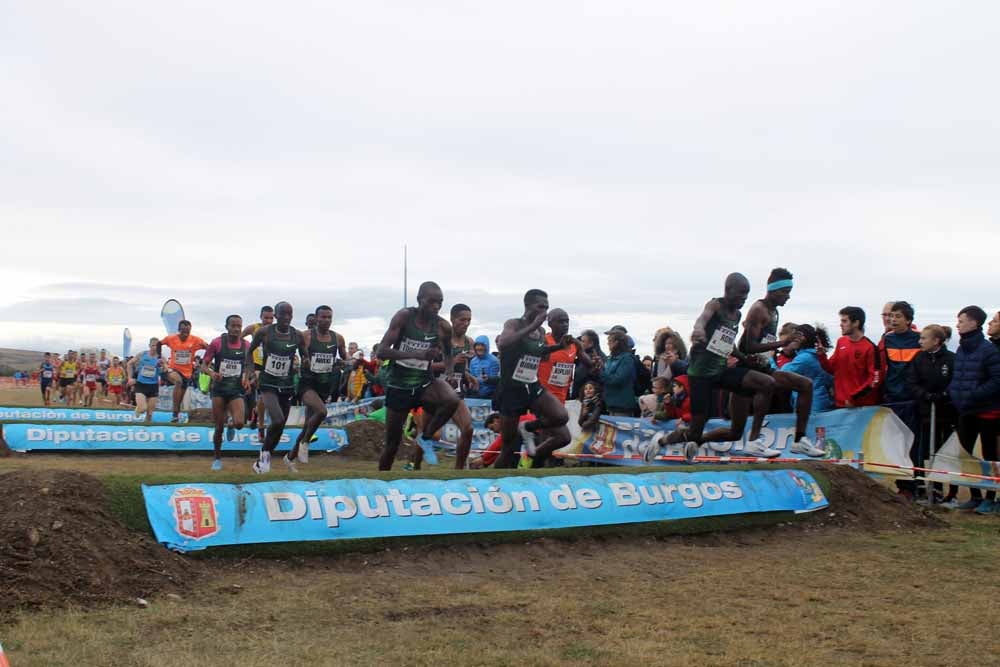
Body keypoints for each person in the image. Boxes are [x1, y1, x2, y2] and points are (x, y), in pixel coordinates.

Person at [651, 273, 780, 461]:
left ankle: (754, 441)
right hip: (700, 376)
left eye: (747, 295)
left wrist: (743, 358)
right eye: (740, 294)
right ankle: (661, 442)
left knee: (766, 383)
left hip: (720, 372)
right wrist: (698, 329)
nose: (743, 299)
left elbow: (728, 343)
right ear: (728, 290)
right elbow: (702, 319)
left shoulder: (737, 315)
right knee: (695, 432)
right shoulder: (715, 305)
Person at [737, 268, 824, 456]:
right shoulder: (758, 309)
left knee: (805, 385)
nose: (788, 297)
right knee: (766, 385)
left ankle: (799, 440)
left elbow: (766, 344)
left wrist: (786, 344)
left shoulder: (774, 311)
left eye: (789, 292)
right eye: (785, 292)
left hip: (763, 365)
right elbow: (747, 346)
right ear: (773, 290)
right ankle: (753, 440)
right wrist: (784, 342)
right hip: (746, 368)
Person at [375, 281, 460, 470]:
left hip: (424, 383)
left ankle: (426, 438)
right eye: (431, 302)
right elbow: (382, 351)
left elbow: (448, 353)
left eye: (440, 302)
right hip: (399, 385)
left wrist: (450, 373)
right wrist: (417, 354)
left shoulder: (442, 327)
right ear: (419, 300)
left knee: (451, 400)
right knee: (392, 445)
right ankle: (380, 482)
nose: (436, 307)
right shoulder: (404, 317)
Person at [495, 289, 573, 468]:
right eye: (540, 306)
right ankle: (494, 485)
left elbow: (541, 353)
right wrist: (531, 326)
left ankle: (528, 429)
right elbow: (504, 343)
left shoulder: (540, 330)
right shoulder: (514, 324)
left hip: (532, 385)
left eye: (546, 307)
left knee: (560, 416)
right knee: (508, 447)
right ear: (528, 306)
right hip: (511, 389)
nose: (544, 311)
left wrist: (558, 347)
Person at [245, 302, 309, 474]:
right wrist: (251, 373)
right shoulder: (264, 332)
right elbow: (248, 352)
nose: (286, 317)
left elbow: (304, 354)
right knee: (278, 420)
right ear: (276, 315)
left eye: (290, 314)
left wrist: (305, 363)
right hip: (267, 383)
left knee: (280, 427)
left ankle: (264, 456)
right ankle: (264, 455)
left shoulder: (297, 335)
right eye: (283, 314)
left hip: (286, 384)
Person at [948, 306, 1000, 514]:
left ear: (973, 323)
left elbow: (997, 380)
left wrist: (975, 394)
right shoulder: (961, 349)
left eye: (961, 320)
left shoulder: (988, 350)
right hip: (966, 410)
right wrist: (954, 393)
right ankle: (974, 496)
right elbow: (957, 376)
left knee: (989, 456)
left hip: (988, 410)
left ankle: (990, 497)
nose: (958, 324)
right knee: (965, 454)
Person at [287, 305, 347, 467]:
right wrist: (303, 361)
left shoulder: (338, 338)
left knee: (308, 424)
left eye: (329, 317)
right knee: (322, 411)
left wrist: (343, 363)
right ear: (316, 318)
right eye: (323, 317)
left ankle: (290, 457)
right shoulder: (306, 336)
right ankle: (305, 443)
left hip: (324, 384)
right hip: (307, 383)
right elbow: (296, 354)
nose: (326, 320)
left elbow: (345, 358)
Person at [905, 324, 956, 503]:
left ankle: (947, 491)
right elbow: (911, 382)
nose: (920, 342)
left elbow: (955, 381)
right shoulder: (919, 358)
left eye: (924, 338)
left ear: (936, 340)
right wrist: (925, 395)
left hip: (945, 413)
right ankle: (922, 486)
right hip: (924, 412)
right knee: (922, 450)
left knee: (944, 452)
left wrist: (944, 395)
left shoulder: (951, 359)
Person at [202, 315, 252, 471]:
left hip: (236, 389)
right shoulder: (217, 343)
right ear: (227, 327)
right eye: (233, 326)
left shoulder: (247, 345)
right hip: (219, 389)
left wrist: (246, 378)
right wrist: (212, 374)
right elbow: (203, 366)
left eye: (239, 326)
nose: (236, 329)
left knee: (239, 424)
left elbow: (249, 366)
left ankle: (231, 423)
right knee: (218, 427)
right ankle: (217, 458)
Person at [818, 307, 881, 408]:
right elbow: (831, 369)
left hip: (861, 406)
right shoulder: (841, 342)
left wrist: (854, 398)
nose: (841, 324)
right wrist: (821, 355)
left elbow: (874, 380)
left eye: (844, 321)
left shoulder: (870, 347)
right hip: (840, 404)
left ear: (856, 323)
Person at [538, 308, 592, 405]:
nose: (565, 325)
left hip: (562, 396)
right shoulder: (544, 341)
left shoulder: (574, 344)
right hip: (543, 396)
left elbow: (590, 364)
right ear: (550, 324)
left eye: (566, 321)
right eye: (560, 322)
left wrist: (596, 363)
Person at [160, 320, 209, 422]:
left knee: (180, 398)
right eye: (183, 331)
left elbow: (208, 347)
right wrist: (159, 358)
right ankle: (175, 414)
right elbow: (159, 343)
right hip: (172, 370)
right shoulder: (171, 339)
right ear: (179, 330)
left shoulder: (195, 340)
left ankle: (175, 415)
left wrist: (205, 362)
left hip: (187, 373)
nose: (185, 334)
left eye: (188, 331)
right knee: (178, 381)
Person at [781, 324, 835, 414]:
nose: (792, 339)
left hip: (810, 407)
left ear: (802, 338)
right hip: (821, 403)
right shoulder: (817, 355)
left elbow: (782, 374)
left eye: (795, 336)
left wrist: (771, 360)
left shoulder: (804, 358)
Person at [242, 305, 276, 441]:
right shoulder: (253, 328)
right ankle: (261, 427)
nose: (268, 320)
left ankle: (256, 412)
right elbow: (239, 338)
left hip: (271, 365)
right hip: (256, 366)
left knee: (265, 398)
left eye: (270, 318)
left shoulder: (275, 330)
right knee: (262, 392)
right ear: (260, 317)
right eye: (265, 318)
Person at [878, 301, 921, 404]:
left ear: (908, 320)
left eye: (898, 316)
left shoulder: (919, 338)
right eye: (891, 316)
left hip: (913, 395)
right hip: (892, 394)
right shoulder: (887, 339)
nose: (893, 320)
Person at [600, 331, 638, 416]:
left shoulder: (627, 359)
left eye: (609, 341)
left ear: (616, 343)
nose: (607, 343)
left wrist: (600, 373)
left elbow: (617, 379)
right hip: (611, 404)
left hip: (622, 405)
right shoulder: (610, 359)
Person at [127, 338, 164, 423]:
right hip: (141, 384)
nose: (154, 347)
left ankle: (147, 431)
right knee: (143, 408)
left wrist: (163, 367)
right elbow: (129, 364)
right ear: (149, 346)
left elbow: (164, 371)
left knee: (150, 414)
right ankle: (138, 409)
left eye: (156, 346)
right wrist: (130, 378)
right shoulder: (142, 354)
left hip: (153, 386)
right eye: (153, 345)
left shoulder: (161, 358)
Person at [468, 335, 501, 400]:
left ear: (487, 346)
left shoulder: (494, 360)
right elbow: (472, 377)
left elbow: (495, 380)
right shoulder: (473, 361)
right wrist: (471, 383)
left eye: (482, 345)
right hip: (476, 395)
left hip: (490, 395)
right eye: (477, 345)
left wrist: (486, 379)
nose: (479, 348)